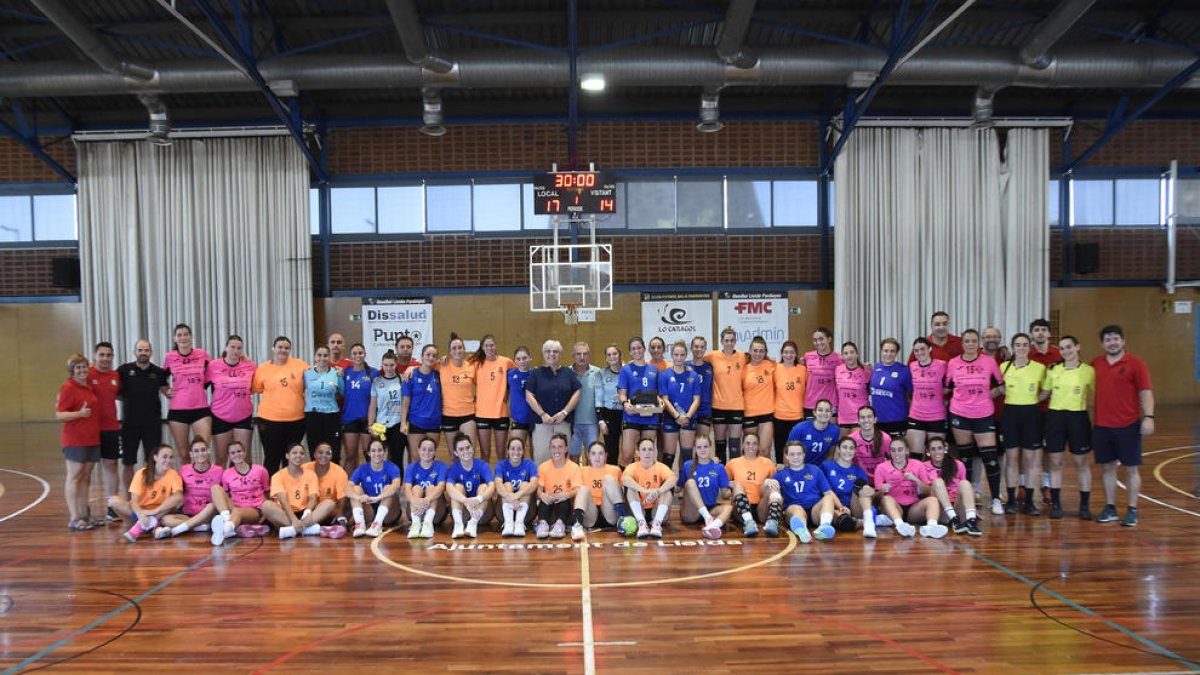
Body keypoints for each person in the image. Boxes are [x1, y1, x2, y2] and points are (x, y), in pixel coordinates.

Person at [1091, 324, 1153, 527]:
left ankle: (1132, 510)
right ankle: (1110, 508)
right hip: (1102, 425)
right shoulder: (1095, 364)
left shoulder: (1136, 364)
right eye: (1108, 339)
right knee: (1107, 468)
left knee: (1131, 469)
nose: (1112, 342)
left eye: (1115, 339)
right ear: (1102, 344)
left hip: (1128, 425)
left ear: (1123, 341)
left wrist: (1149, 417)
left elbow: (1145, 392)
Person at [945, 329, 1005, 516]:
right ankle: (967, 499)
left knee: (990, 458)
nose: (970, 344)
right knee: (965, 458)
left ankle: (996, 499)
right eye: (967, 341)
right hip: (960, 414)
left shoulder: (988, 361)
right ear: (962, 344)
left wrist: (987, 396)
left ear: (977, 343)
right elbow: (947, 388)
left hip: (983, 414)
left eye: (973, 341)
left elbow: (1001, 387)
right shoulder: (953, 363)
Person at [1043, 335, 1096, 520]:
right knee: (1055, 463)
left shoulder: (1088, 371)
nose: (1066, 351)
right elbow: (1044, 393)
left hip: (1078, 418)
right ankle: (1056, 505)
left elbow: (1101, 395)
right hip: (1055, 417)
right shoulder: (1053, 370)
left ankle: (1084, 506)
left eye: (1069, 347)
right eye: (1063, 348)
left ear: (1077, 347)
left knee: (1081, 463)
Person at [999, 333, 1049, 516]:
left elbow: (1046, 390)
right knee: (1011, 459)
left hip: (1031, 415)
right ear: (1013, 347)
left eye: (1025, 345)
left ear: (1030, 347)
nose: (1021, 348)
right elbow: (1000, 387)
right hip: (1011, 414)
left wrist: (1034, 400)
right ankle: (1011, 500)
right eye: (1018, 345)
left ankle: (1029, 501)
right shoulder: (1004, 367)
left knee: (1029, 460)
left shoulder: (1039, 368)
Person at [117, 339, 168, 497]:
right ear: (135, 352)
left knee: (151, 463)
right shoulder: (124, 370)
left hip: (152, 425)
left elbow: (167, 391)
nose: (143, 353)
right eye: (140, 350)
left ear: (151, 352)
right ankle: (129, 497)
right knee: (128, 463)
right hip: (129, 425)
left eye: (146, 350)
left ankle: (148, 495)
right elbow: (115, 391)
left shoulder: (158, 372)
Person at [252, 336, 309, 472]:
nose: (283, 350)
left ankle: (290, 488)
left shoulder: (300, 365)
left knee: (291, 458)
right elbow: (256, 388)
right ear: (273, 349)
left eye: (286, 348)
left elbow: (316, 378)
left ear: (290, 350)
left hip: (296, 420)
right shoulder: (263, 368)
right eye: (280, 347)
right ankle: (270, 491)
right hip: (269, 420)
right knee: (272, 457)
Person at [57, 353, 100, 531]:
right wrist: (78, 414)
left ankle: (85, 515)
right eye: (78, 368)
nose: (82, 370)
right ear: (72, 371)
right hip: (74, 440)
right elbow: (59, 415)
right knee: (74, 477)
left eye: (84, 367)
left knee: (85, 477)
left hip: (91, 438)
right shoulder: (68, 388)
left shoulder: (88, 386)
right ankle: (74, 518)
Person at [108, 444, 182, 543]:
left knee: (171, 502)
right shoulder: (141, 473)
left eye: (171, 457)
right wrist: (140, 515)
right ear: (155, 458)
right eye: (164, 457)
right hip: (140, 512)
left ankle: (141, 527)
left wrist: (154, 511)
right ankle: (146, 525)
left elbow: (178, 497)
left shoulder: (173, 474)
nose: (168, 460)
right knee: (113, 500)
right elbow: (134, 501)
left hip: (160, 512)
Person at [874, 439, 947, 538]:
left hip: (913, 508)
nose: (896, 454)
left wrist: (916, 480)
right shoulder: (881, 467)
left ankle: (931, 527)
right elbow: (876, 499)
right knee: (887, 499)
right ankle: (900, 525)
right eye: (893, 450)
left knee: (933, 500)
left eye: (900, 450)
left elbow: (928, 492)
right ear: (890, 452)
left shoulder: (918, 465)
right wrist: (882, 490)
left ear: (907, 451)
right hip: (894, 507)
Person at [525, 339, 582, 464]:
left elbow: (577, 393)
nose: (551, 354)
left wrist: (564, 412)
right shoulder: (536, 373)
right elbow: (529, 396)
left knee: (562, 457)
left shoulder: (568, 373)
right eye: (548, 351)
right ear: (543, 354)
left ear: (560, 354)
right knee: (541, 456)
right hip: (541, 423)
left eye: (555, 351)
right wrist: (542, 414)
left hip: (563, 423)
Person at [262, 443, 334, 539]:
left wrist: (307, 513)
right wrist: (293, 519)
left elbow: (313, 497)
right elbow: (283, 501)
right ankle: (307, 529)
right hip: (286, 513)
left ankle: (293, 530)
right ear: (287, 456)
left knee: (330, 503)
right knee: (266, 506)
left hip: (305, 513)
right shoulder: (277, 476)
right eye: (294, 453)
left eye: (301, 453)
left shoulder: (311, 474)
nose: (298, 456)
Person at [154, 439, 222, 539]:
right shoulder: (184, 470)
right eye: (196, 451)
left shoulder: (218, 470)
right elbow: (177, 492)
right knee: (165, 519)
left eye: (203, 450)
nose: (200, 453)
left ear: (208, 451)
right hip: (188, 514)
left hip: (208, 514)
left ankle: (178, 530)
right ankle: (198, 527)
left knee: (212, 506)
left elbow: (223, 495)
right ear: (191, 454)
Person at [206, 335, 256, 468]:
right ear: (226, 348)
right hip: (220, 415)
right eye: (232, 347)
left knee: (243, 457)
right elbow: (201, 386)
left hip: (243, 415)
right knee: (221, 457)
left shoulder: (250, 366)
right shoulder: (213, 365)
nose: (235, 351)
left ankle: (242, 487)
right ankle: (222, 486)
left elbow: (255, 387)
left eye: (239, 348)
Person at [209, 440, 271, 546]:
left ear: (244, 452)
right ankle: (227, 520)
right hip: (234, 507)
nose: (237, 455)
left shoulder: (260, 470)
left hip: (254, 509)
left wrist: (266, 512)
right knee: (215, 488)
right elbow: (227, 495)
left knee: (237, 511)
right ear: (229, 456)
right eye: (233, 453)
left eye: (239, 451)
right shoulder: (226, 474)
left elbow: (267, 493)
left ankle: (224, 530)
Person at [1027, 318, 1062, 506]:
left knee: (1050, 450)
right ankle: (1024, 487)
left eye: (1043, 330)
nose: (1040, 333)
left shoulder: (1059, 354)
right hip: (1031, 411)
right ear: (1032, 334)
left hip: (1054, 410)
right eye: (1036, 330)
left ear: (1049, 333)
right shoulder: (1026, 354)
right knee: (1029, 452)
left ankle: (1047, 485)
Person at [163, 323, 212, 456]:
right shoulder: (170, 357)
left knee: (202, 453)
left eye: (186, 334)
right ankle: (186, 477)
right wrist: (166, 390)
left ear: (191, 337)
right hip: (178, 411)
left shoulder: (202, 354)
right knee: (184, 454)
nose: (183, 337)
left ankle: (203, 477)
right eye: (179, 335)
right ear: (174, 338)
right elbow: (161, 378)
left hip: (200, 409)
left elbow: (214, 372)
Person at [776, 441, 838, 543]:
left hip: (815, 511)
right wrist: (768, 481)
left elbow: (828, 492)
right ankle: (802, 529)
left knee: (829, 497)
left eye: (799, 454)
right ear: (786, 456)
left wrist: (840, 507)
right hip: (795, 510)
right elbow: (768, 488)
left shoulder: (815, 470)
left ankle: (824, 526)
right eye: (792, 454)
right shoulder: (781, 474)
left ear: (804, 454)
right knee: (795, 508)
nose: (796, 457)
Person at [88, 342, 122, 520]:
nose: (105, 358)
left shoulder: (115, 376)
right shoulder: (87, 374)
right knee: (86, 469)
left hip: (111, 428)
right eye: (102, 355)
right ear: (95, 356)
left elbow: (121, 395)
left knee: (111, 466)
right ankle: (83, 508)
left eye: (109, 355)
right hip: (90, 430)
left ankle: (112, 506)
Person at [922, 436, 982, 536]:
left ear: (945, 449)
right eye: (933, 449)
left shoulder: (958, 464)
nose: (937, 452)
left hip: (957, 507)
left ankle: (971, 520)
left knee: (965, 483)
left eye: (940, 448)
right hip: (941, 509)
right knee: (938, 482)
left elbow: (966, 490)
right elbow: (924, 492)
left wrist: (973, 508)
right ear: (928, 452)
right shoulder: (923, 467)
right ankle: (953, 519)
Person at [726, 431, 782, 537]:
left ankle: (772, 522)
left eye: (754, 443)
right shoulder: (732, 463)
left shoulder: (768, 463)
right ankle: (749, 522)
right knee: (738, 485)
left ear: (759, 446)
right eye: (747, 443)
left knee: (774, 486)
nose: (751, 446)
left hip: (761, 507)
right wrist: (730, 485)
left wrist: (768, 482)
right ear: (742, 445)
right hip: (740, 508)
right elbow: (724, 492)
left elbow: (777, 489)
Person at [821, 437, 878, 538]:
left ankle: (869, 520)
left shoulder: (859, 471)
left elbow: (865, 496)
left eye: (851, 448)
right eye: (845, 447)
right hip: (835, 507)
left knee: (861, 485)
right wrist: (841, 507)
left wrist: (871, 492)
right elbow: (827, 491)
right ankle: (870, 521)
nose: (848, 451)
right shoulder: (826, 466)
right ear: (838, 449)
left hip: (855, 507)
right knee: (845, 522)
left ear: (855, 451)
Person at [471, 334, 514, 464]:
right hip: (482, 413)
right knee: (485, 452)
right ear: (482, 348)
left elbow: (516, 377)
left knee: (501, 452)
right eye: (486, 345)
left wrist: (507, 390)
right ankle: (487, 481)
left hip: (501, 412)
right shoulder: (476, 364)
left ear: (496, 346)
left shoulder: (506, 362)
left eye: (492, 345)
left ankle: (501, 480)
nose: (489, 348)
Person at [678, 435, 731, 539]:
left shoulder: (719, 467)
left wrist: (737, 486)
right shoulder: (688, 466)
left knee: (728, 508)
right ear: (694, 448)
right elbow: (677, 488)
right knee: (690, 483)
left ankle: (712, 526)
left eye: (705, 446)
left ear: (711, 447)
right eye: (699, 447)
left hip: (711, 508)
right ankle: (707, 518)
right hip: (692, 512)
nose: (702, 450)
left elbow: (725, 494)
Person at [621, 438, 677, 539]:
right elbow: (624, 479)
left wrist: (658, 492)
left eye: (650, 449)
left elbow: (673, 479)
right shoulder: (632, 467)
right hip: (639, 509)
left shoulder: (660, 467)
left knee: (668, 488)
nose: (647, 453)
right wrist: (645, 491)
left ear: (654, 452)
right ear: (638, 452)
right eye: (644, 449)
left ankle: (657, 524)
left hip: (656, 510)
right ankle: (641, 523)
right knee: (629, 488)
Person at [658, 341, 700, 472]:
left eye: (682, 355)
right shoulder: (665, 375)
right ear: (672, 355)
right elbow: (664, 399)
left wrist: (687, 416)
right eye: (676, 355)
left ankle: (686, 486)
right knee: (669, 456)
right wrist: (676, 416)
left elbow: (697, 399)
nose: (679, 358)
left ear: (686, 356)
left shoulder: (693, 375)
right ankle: (666, 487)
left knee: (687, 456)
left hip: (689, 418)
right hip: (671, 418)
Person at [348, 439, 403, 537]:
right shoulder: (362, 469)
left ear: (384, 452)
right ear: (368, 453)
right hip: (370, 510)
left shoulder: (392, 467)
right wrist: (358, 497)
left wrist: (379, 497)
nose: (377, 453)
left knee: (389, 488)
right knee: (356, 489)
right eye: (373, 451)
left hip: (389, 513)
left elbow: (396, 486)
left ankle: (377, 524)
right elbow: (347, 488)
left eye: (380, 450)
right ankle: (360, 524)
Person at [704, 327, 744, 462]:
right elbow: (698, 361)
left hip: (737, 406)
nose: (729, 343)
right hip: (718, 406)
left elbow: (758, 360)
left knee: (735, 445)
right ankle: (721, 475)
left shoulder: (743, 356)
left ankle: (734, 475)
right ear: (721, 341)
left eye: (732, 340)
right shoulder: (713, 356)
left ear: (735, 341)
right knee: (720, 444)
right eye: (726, 340)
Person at [618, 337, 660, 466]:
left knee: (647, 456)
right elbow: (622, 393)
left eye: (639, 348)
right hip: (632, 416)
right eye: (633, 349)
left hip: (650, 416)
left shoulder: (654, 370)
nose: (637, 351)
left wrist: (660, 404)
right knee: (627, 455)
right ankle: (624, 485)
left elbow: (658, 394)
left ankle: (646, 484)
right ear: (630, 352)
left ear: (644, 349)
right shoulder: (626, 370)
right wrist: (625, 404)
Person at [446, 433, 496, 538]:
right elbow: (449, 488)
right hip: (464, 511)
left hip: (481, 513)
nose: (466, 451)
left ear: (472, 448)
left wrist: (478, 499)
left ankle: (473, 524)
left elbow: (492, 486)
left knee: (484, 487)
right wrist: (466, 501)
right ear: (455, 453)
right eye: (461, 449)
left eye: (468, 447)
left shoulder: (482, 465)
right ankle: (458, 525)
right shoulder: (453, 468)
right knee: (457, 487)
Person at [906, 337, 948, 460]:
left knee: (936, 457)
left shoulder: (942, 365)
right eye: (916, 350)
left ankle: (935, 479)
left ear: (930, 349)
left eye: (922, 349)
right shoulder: (912, 366)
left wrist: (947, 399)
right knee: (915, 457)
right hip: (916, 415)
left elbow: (952, 385)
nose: (919, 353)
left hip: (937, 416)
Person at [535, 433, 584, 539]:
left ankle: (560, 525)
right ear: (550, 449)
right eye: (553, 447)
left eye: (560, 447)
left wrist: (566, 495)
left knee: (564, 500)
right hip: (549, 506)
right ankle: (542, 524)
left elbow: (578, 490)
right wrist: (542, 495)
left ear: (566, 449)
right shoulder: (543, 467)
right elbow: (538, 490)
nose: (556, 450)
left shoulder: (573, 467)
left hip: (566, 509)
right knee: (544, 499)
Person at [577, 441, 628, 538]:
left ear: (606, 455)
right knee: (583, 489)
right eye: (593, 453)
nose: (597, 457)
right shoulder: (581, 471)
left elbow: (622, 493)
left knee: (608, 479)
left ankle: (623, 517)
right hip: (590, 512)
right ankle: (577, 523)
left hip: (609, 511)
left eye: (600, 453)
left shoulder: (615, 470)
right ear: (588, 455)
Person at [439, 333, 480, 456]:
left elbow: (483, 386)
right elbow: (424, 366)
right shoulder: (441, 365)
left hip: (467, 414)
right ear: (449, 351)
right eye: (454, 348)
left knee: (469, 453)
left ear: (464, 349)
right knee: (453, 455)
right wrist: (410, 370)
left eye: (460, 347)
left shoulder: (471, 367)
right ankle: (454, 476)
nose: (457, 350)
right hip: (448, 414)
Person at [399, 345, 441, 465]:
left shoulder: (439, 375)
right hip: (416, 422)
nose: (431, 357)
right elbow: (405, 401)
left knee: (430, 457)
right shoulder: (411, 375)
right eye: (428, 354)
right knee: (416, 457)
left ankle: (429, 483)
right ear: (422, 356)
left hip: (434, 422)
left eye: (434, 355)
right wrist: (403, 422)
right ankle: (414, 483)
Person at [340, 343, 377, 475]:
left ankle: (370, 484)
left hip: (367, 419)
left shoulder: (373, 373)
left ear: (365, 354)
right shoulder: (345, 372)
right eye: (355, 353)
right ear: (350, 355)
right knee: (350, 456)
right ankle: (348, 486)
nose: (357, 356)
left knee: (368, 455)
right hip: (350, 418)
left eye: (360, 353)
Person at [404, 437, 449, 539]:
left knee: (431, 488)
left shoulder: (441, 466)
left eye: (430, 450)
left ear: (434, 452)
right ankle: (415, 524)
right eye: (424, 449)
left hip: (436, 512)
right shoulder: (411, 467)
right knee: (416, 488)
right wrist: (414, 501)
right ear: (418, 450)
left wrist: (426, 500)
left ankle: (428, 524)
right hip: (415, 510)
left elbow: (441, 487)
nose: (427, 452)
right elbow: (406, 488)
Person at [304, 346, 344, 460]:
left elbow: (343, 392)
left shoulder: (336, 373)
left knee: (334, 451)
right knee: (314, 450)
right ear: (314, 357)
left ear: (329, 357)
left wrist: (341, 377)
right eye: (319, 355)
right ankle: (315, 477)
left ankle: (333, 477)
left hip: (332, 416)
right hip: (313, 415)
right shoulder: (307, 374)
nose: (322, 358)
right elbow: (298, 392)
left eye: (325, 355)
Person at [494, 437, 539, 537]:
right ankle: (508, 524)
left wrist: (517, 495)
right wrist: (510, 498)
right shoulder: (500, 465)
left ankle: (519, 524)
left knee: (525, 485)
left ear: (523, 451)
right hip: (503, 511)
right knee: (507, 485)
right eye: (513, 448)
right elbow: (498, 484)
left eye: (519, 449)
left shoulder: (530, 464)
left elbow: (534, 484)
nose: (516, 452)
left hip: (526, 512)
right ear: (507, 450)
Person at [302, 442, 350, 536]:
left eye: (328, 453)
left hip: (328, 510)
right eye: (320, 452)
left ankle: (300, 527)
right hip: (306, 508)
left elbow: (342, 498)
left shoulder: (339, 471)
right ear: (314, 454)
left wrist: (340, 515)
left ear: (331, 456)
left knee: (332, 504)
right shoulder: (304, 469)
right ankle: (310, 528)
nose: (324, 455)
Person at [772, 340, 807, 463]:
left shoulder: (803, 370)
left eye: (792, 352)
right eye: (786, 352)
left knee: (796, 449)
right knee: (780, 448)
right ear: (781, 354)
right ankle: (781, 471)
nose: (789, 355)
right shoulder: (775, 368)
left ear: (796, 354)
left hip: (797, 415)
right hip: (779, 415)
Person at [369, 351, 406, 466]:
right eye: (385, 365)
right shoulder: (377, 382)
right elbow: (373, 405)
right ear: (382, 365)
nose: (389, 368)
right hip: (381, 426)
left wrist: (404, 423)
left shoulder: (403, 380)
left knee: (396, 458)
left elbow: (406, 403)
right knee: (379, 458)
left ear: (396, 365)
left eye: (391, 365)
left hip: (397, 424)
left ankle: (397, 483)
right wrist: (371, 425)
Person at [869, 337, 912, 437]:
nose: (888, 354)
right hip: (877, 420)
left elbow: (909, 395)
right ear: (881, 351)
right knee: (879, 451)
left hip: (896, 420)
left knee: (895, 451)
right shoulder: (876, 367)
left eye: (892, 351)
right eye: (886, 351)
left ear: (896, 353)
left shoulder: (904, 370)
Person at [742, 336, 777, 457]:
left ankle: (767, 476)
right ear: (750, 351)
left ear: (765, 352)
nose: (758, 354)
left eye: (761, 351)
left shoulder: (771, 365)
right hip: (749, 414)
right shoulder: (743, 368)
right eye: (755, 350)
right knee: (751, 451)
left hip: (766, 414)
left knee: (764, 451)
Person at [570, 341, 602, 460]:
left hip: (592, 423)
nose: (582, 357)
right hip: (572, 423)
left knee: (593, 458)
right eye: (578, 354)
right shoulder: (567, 373)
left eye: (585, 354)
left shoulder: (598, 372)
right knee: (573, 458)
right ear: (573, 356)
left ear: (589, 355)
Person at [594, 344, 624, 466]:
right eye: (609, 355)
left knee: (627, 450)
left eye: (615, 354)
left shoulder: (628, 371)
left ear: (620, 355)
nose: (612, 357)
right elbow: (598, 398)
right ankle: (614, 480)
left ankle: (627, 480)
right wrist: (600, 420)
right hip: (609, 414)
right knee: (611, 450)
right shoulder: (601, 374)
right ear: (606, 358)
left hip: (627, 413)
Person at [786, 398, 840, 466]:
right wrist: (788, 471)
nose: (824, 413)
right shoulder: (800, 428)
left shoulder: (835, 430)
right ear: (814, 412)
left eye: (827, 411)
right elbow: (787, 451)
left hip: (819, 469)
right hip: (800, 466)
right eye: (820, 410)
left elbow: (830, 455)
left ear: (831, 414)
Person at [803, 327, 843, 418]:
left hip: (831, 404)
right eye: (815, 340)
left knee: (830, 432)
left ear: (829, 339)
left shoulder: (839, 359)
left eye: (821, 339)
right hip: (811, 404)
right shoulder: (807, 357)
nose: (818, 342)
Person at [849, 405, 892, 483]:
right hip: (860, 480)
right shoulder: (851, 439)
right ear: (858, 421)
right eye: (862, 417)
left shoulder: (885, 438)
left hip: (881, 480)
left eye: (869, 417)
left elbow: (892, 461)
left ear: (875, 420)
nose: (866, 420)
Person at [834, 342, 871, 429]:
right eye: (846, 353)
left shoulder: (865, 371)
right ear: (842, 356)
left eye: (852, 352)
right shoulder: (838, 369)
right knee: (844, 442)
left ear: (857, 354)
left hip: (860, 416)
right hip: (843, 416)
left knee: (855, 442)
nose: (849, 355)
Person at [507, 346, 535, 446]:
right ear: (515, 361)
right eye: (518, 359)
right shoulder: (509, 374)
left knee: (536, 453)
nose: (522, 361)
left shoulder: (536, 374)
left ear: (530, 358)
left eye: (524, 358)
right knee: (516, 450)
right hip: (518, 420)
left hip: (535, 419)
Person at [689, 336, 715, 441]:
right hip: (688, 410)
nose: (699, 349)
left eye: (702, 347)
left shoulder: (710, 367)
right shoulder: (685, 366)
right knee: (687, 447)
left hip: (705, 410)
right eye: (696, 346)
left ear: (705, 349)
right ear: (691, 348)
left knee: (702, 444)